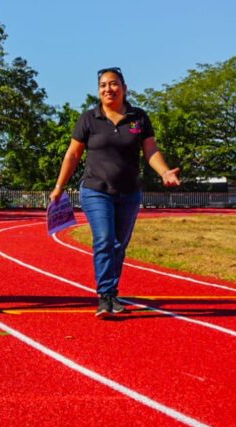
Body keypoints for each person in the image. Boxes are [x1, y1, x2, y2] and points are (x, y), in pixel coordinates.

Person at [49, 67, 180, 317]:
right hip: (96, 190)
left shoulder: (138, 117)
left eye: (113, 84)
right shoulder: (89, 118)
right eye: (103, 85)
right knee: (105, 239)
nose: (108, 89)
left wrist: (164, 172)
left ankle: (113, 293)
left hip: (129, 192)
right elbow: (73, 154)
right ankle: (106, 295)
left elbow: (150, 150)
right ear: (98, 91)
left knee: (119, 245)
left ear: (125, 88)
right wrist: (59, 187)